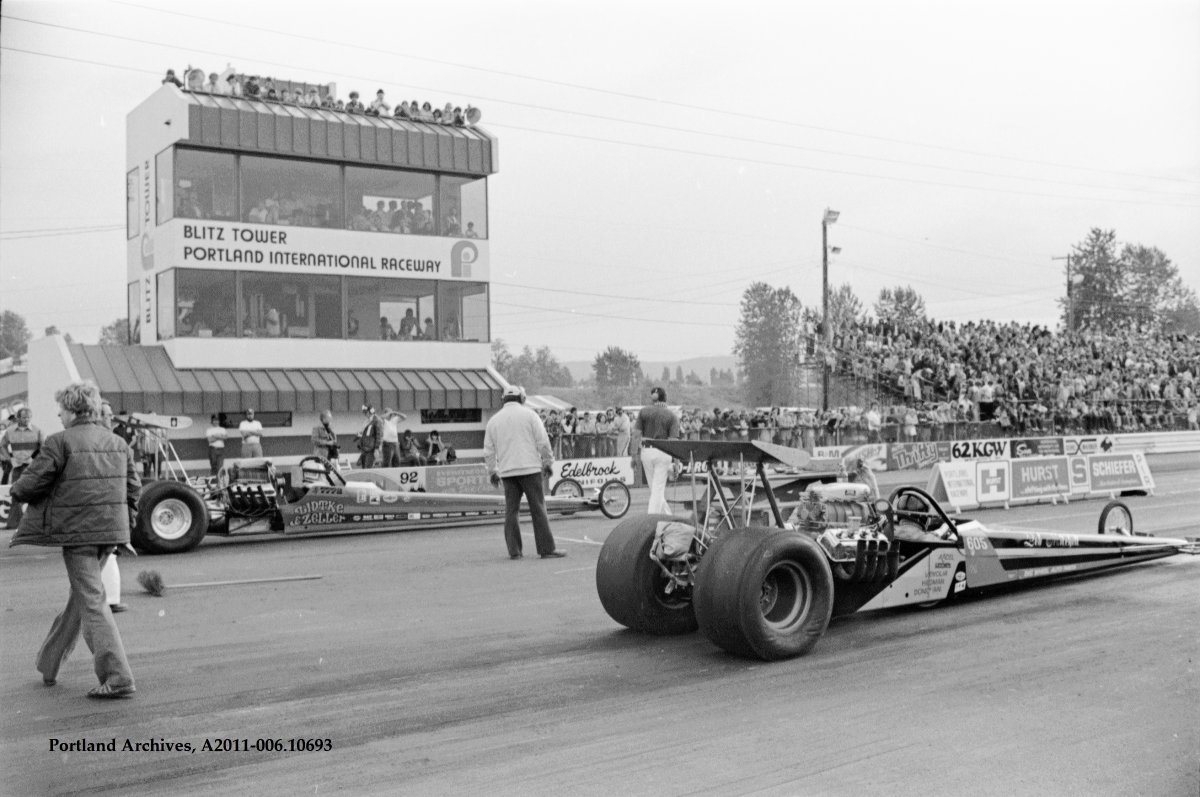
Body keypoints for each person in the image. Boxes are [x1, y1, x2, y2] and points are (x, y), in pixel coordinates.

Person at [10, 381, 139, 698]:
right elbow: (134, 490)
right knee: (81, 600)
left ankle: (118, 676)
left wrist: (15, 490)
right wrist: (124, 529)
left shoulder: (59, 442)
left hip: (78, 534)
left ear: (73, 410)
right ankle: (48, 663)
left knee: (92, 602)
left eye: (62, 409)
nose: (58, 414)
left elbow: (28, 486)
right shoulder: (118, 443)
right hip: (110, 534)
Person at [483, 385, 563, 560]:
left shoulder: (494, 421)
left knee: (511, 511)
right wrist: (548, 462)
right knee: (538, 509)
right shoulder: (530, 415)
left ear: (504, 400)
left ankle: (515, 551)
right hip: (530, 469)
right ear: (522, 398)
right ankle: (546, 549)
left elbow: (488, 451)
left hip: (508, 471)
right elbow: (543, 441)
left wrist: (493, 471)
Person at [98, 401, 128, 613]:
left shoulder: (116, 441)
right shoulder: (112, 442)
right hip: (105, 505)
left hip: (106, 504)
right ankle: (110, 600)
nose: (111, 418)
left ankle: (105, 599)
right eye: (107, 414)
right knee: (107, 554)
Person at [636, 386, 682, 515]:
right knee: (657, 490)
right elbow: (674, 441)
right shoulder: (672, 416)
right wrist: (676, 463)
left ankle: (668, 516)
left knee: (655, 489)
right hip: (663, 452)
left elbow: (636, 434)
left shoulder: (644, 412)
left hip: (646, 451)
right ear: (665, 398)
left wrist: (634, 455)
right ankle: (651, 519)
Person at [2, 407, 42, 529]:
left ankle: (36, 524)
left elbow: (44, 447)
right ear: (18, 418)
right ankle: (13, 524)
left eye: (29, 417)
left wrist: (34, 459)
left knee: (34, 494)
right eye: (24, 417)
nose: (27, 420)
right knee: (16, 494)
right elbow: (2, 446)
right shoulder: (9, 431)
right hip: (17, 467)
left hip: (32, 468)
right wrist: (10, 459)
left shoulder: (37, 430)